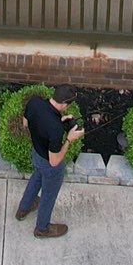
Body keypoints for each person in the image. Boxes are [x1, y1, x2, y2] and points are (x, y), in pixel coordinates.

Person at [14, 91, 84, 239]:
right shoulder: (55, 130)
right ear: (64, 104)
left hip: (37, 155)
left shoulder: (34, 102)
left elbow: (25, 124)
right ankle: (42, 228)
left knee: (37, 177)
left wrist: (59, 120)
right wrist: (70, 139)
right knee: (48, 195)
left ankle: (23, 209)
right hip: (50, 165)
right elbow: (54, 161)